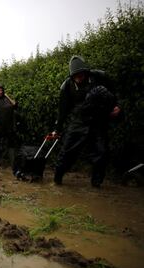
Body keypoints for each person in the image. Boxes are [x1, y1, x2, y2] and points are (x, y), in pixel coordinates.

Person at [52, 55, 120, 188]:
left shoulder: (100, 76)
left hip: (98, 120)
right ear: (72, 76)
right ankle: (57, 179)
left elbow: (115, 93)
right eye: (75, 76)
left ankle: (96, 184)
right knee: (67, 152)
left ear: (86, 72)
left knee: (101, 152)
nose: (79, 78)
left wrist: (118, 106)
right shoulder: (66, 86)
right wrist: (57, 129)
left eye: (81, 74)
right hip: (78, 121)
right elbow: (62, 111)